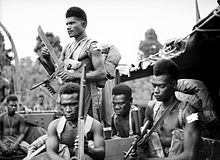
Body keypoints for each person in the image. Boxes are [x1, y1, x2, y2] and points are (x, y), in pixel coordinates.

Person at [129, 58, 201, 160]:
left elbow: (189, 156)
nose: (156, 91)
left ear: (174, 84)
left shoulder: (188, 113)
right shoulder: (151, 108)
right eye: (154, 86)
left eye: (161, 86)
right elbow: (144, 142)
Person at [56, 6, 106, 121]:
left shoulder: (92, 45)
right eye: (67, 24)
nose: (68, 27)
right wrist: (48, 58)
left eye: (72, 23)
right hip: (69, 99)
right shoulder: (67, 48)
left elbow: (101, 74)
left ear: (83, 24)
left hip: (87, 96)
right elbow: (57, 73)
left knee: (89, 130)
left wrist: (74, 75)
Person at [46, 82, 105, 160]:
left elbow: (101, 154)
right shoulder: (55, 126)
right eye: (64, 105)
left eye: (73, 104)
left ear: (81, 103)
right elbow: (50, 152)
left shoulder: (94, 126)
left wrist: (88, 149)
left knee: (90, 146)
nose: (68, 110)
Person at [0, 94, 30, 160]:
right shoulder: (1, 117)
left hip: (16, 140)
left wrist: (14, 146)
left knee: (30, 151)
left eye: (15, 106)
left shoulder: (20, 118)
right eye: (11, 105)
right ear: (7, 105)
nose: (13, 107)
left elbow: (22, 134)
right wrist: (3, 147)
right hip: (4, 140)